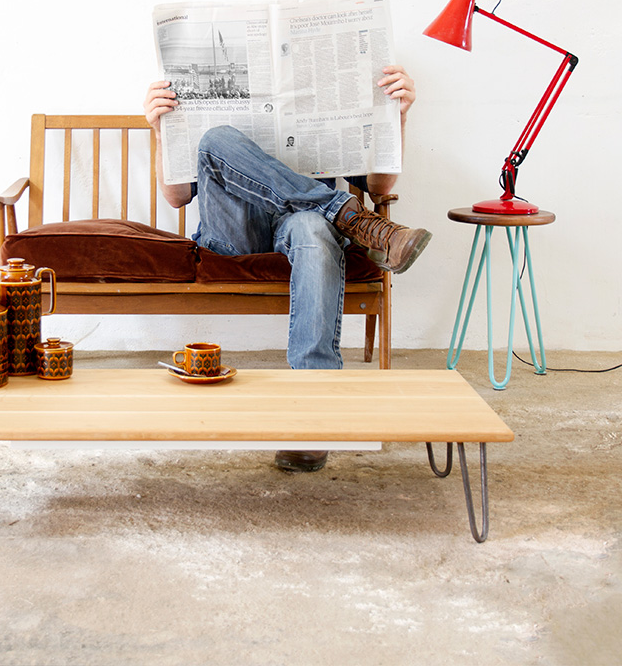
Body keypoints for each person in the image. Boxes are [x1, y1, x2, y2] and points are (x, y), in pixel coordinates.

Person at [143, 66, 431, 472]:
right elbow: (176, 198)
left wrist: (396, 115)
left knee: (314, 225)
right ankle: (354, 219)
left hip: (301, 225)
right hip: (233, 235)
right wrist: (161, 130)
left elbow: (378, 187)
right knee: (216, 139)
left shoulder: (325, 99)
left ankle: (314, 413)